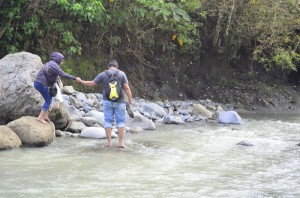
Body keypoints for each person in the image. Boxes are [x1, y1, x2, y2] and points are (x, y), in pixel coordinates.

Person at [79, 59, 133, 148]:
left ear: (108, 67)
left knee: (108, 121)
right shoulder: (122, 74)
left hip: (107, 101)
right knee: (121, 122)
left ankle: (109, 143)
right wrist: (130, 99)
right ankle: (120, 143)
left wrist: (81, 81)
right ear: (117, 67)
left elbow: (92, 83)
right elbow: (126, 87)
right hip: (119, 101)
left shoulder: (103, 74)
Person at [34, 52, 81, 124]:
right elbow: (64, 74)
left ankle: (45, 115)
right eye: (62, 60)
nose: (62, 62)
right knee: (48, 101)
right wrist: (75, 78)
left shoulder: (49, 63)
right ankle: (40, 117)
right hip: (41, 84)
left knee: (49, 97)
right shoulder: (54, 66)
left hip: (38, 83)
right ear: (58, 59)